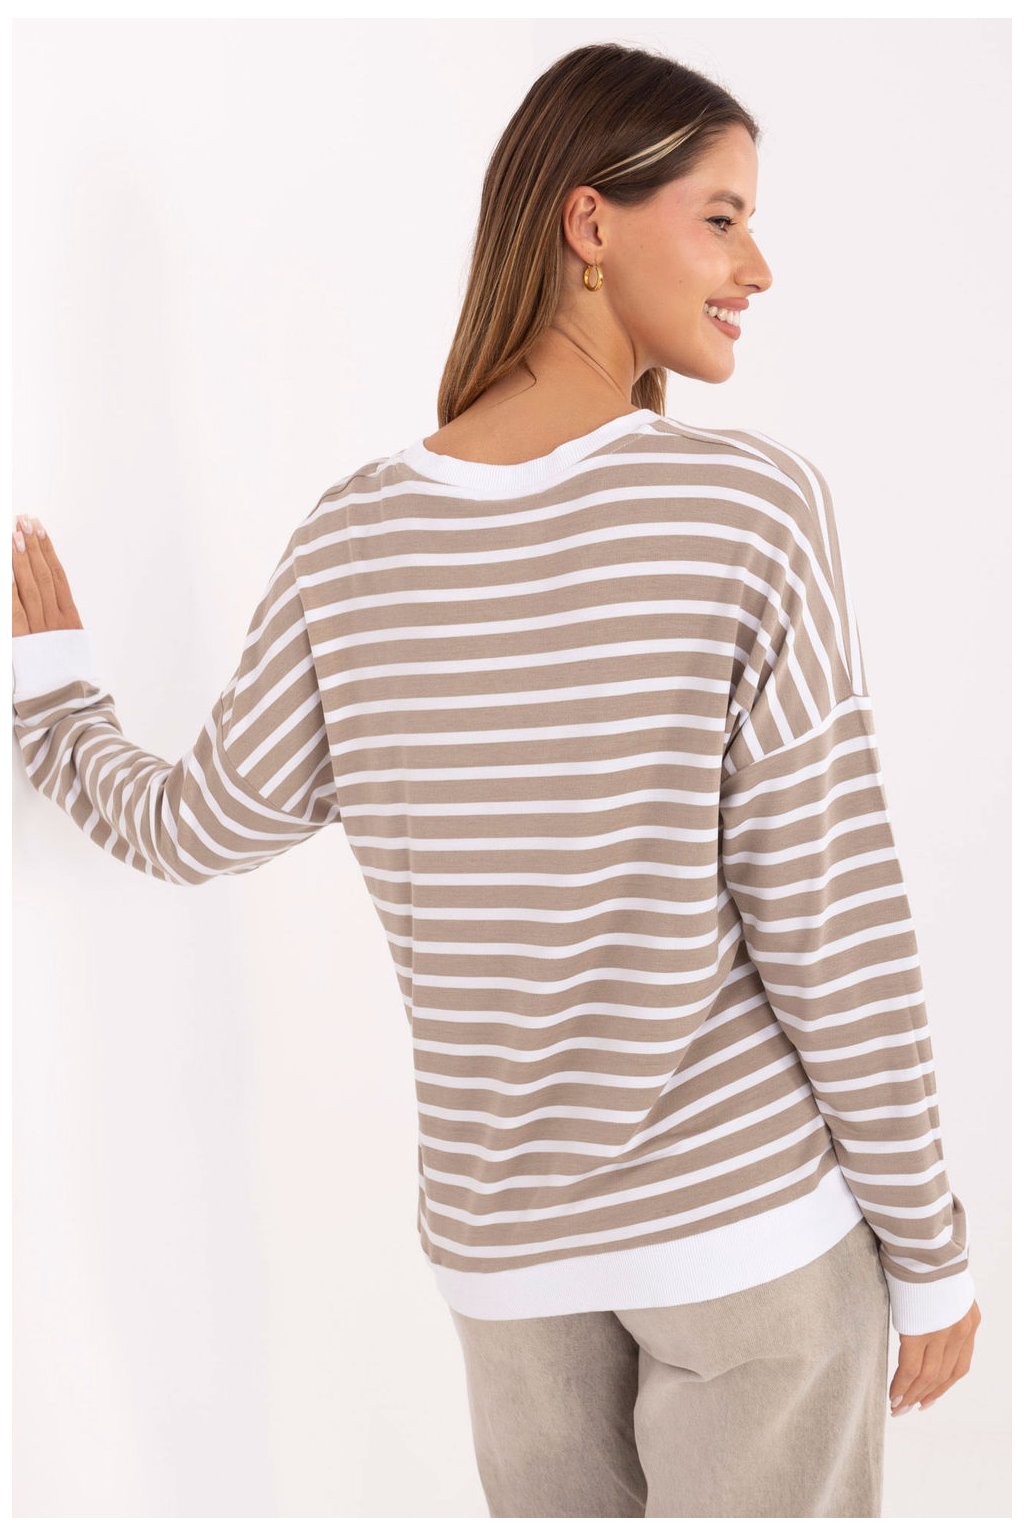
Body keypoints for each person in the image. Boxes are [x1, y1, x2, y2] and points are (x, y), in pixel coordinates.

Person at [11, 39, 980, 1521]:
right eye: (722, 217)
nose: (759, 267)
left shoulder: (353, 542)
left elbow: (198, 825)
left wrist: (55, 700)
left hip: (508, 1271)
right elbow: (828, 921)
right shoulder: (747, 507)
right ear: (590, 222)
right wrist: (932, 1247)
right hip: (749, 1246)